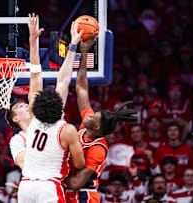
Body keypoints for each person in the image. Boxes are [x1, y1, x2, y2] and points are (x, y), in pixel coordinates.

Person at [17, 16, 86, 203]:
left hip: (26, 187)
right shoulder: (67, 130)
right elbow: (80, 164)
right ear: (60, 106)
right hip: (49, 186)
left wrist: (33, 40)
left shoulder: (32, 118)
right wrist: (73, 44)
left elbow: (35, 74)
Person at [63, 31, 137, 202]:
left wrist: (50, 176)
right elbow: (81, 87)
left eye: (93, 116)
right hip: (67, 192)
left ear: (97, 127)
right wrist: (84, 53)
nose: (90, 113)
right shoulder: (86, 125)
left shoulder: (97, 149)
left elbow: (76, 183)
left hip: (84, 196)